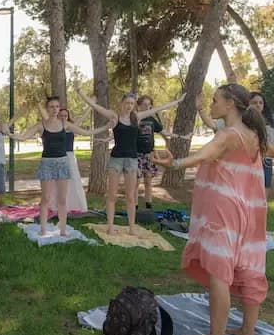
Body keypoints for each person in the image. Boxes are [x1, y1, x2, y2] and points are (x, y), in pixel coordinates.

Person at [151, 84, 274, 335]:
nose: (211, 104)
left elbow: (202, 156)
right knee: (248, 267)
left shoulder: (229, 135)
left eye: (215, 100)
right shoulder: (253, 134)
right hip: (248, 210)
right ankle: (247, 332)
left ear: (230, 104)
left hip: (223, 210)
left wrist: (172, 164)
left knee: (219, 273)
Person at [77, 88, 185, 235]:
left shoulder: (137, 117)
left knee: (130, 195)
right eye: (127, 103)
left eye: (132, 103)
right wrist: (80, 92)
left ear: (134, 105)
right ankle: (110, 226)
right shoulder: (114, 117)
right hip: (116, 159)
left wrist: (177, 101)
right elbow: (96, 107)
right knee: (112, 194)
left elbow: (159, 107)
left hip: (132, 160)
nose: (129, 106)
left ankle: (132, 227)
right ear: (122, 103)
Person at [14, 96, 113, 236]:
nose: (54, 109)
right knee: (46, 198)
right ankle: (43, 229)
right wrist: (8, 132)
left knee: (62, 199)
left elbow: (85, 132)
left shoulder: (65, 124)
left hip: (63, 163)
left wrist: (105, 127)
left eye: (56, 107)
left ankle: (63, 230)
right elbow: (22, 137)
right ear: (47, 109)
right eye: (51, 107)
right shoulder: (40, 125)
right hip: (47, 163)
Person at [197, 85, 274, 188]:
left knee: (262, 199)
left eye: (261, 102)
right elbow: (213, 124)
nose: (258, 105)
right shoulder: (237, 120)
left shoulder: (272, 120)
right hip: (243, 163)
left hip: (266, 163)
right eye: (254, 102)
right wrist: (200, 109)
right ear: (247, 105)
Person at [134, 95, 190, 210]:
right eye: (144, 104)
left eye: (149, 105)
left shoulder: (151, 120)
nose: (147, 107)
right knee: (135, 183)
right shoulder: (134, 118)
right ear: (138, 106)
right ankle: (134, 208)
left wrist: (182, 137)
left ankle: (148, 207)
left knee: (148, 182)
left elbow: (165, 133)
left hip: (149, 155)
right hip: (135, 155)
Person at [52, 106, 92, 213]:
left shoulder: (71, 127)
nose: (64, 117)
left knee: (73, 180)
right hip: (58, 157)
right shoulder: (54, 127)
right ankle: (56, 205)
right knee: (58, 182)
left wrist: (90, 106)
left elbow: (83, 117)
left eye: (66, 115)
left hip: (69, 157)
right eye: (61, 115)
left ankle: (75, 205)